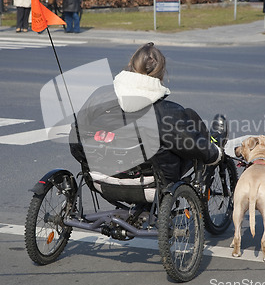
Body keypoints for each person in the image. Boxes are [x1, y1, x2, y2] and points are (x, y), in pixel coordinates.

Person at [69, 43, 224, 183]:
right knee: (189, 124)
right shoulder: (167, 111)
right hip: (154, 179)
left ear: (131, 65)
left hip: (102, 175)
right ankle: (214, 145)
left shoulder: (101, 95)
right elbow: (191, 145)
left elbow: (76, 135)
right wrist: (215, 155)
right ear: (161, 73)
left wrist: (87, 162)